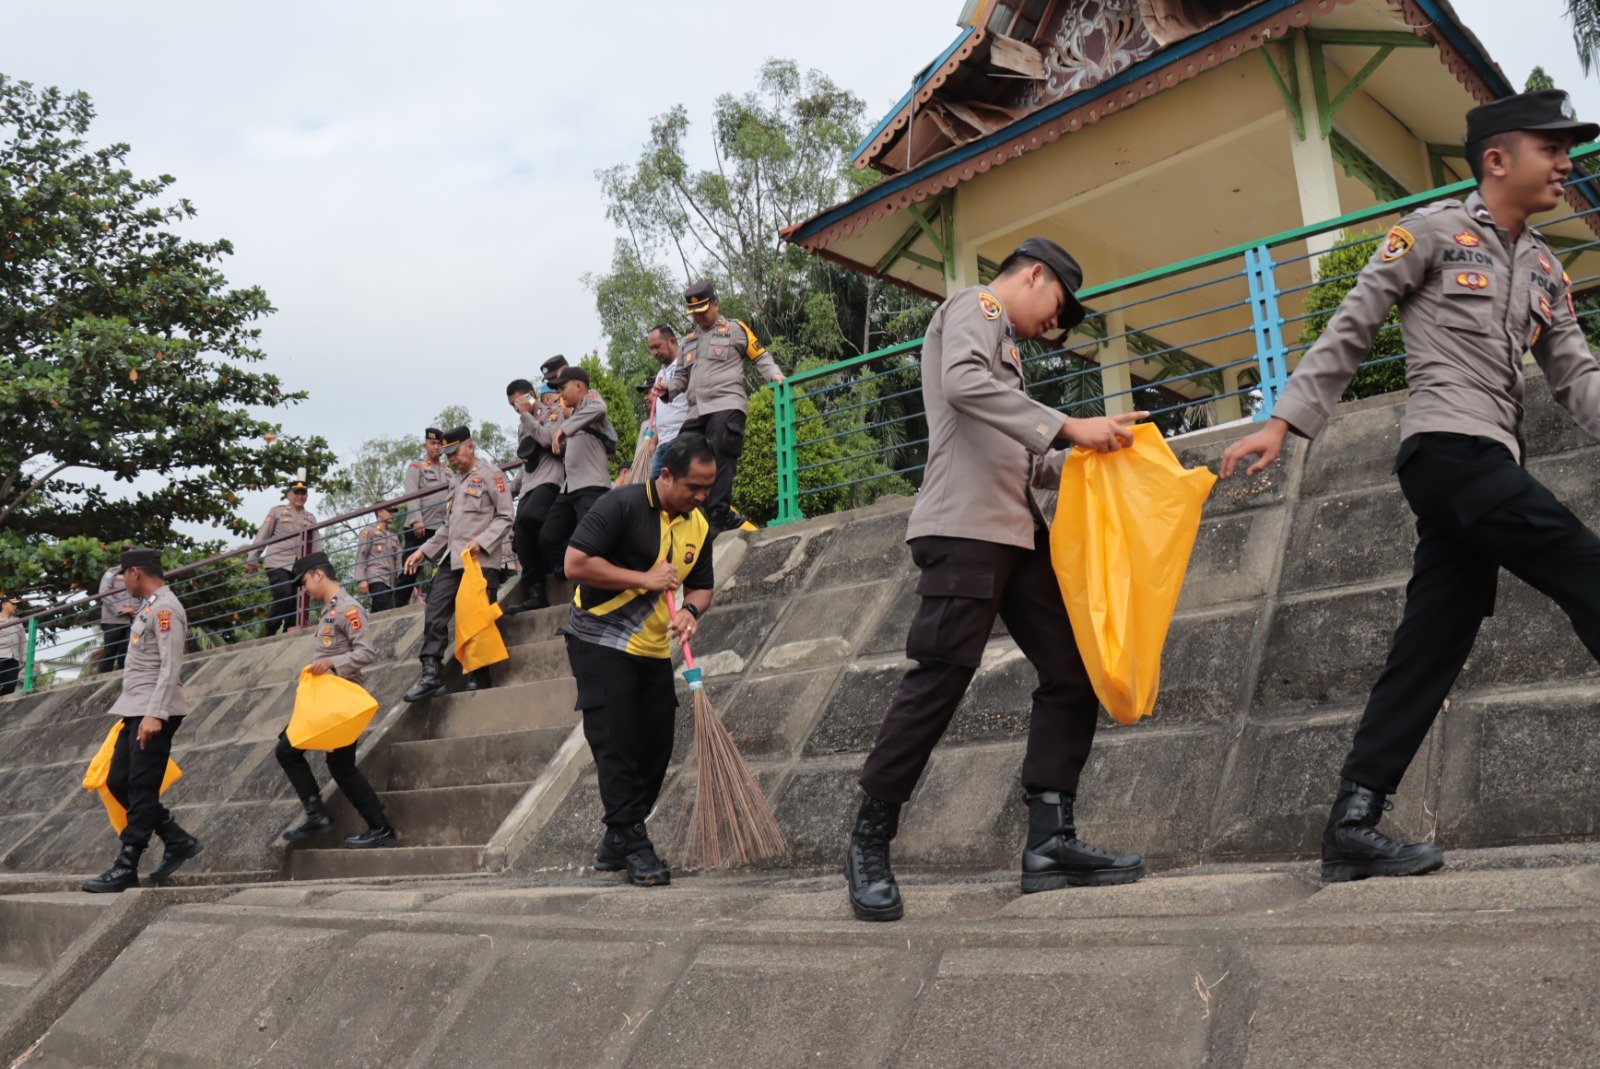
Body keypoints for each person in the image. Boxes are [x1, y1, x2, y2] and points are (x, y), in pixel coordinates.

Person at [1220, 89, 1600, 883]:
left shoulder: (1544, 268)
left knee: (1430, 645)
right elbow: (1353, 322)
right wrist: (1284, 420)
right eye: (1550, 146)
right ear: (1497, 159)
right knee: (1584, 566)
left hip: (1491, 465)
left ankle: (1351, 823)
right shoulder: (1431, 232)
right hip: (1448, 451)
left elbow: (1578, 379)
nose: (1567, 161)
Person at [843, 237, 1149, 923]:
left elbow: (1021, 455)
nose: (1056, 326)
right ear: (1034, 274)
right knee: (941, 677)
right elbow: (962, 387)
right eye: (1059, 308)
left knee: (1073, 671)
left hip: (1016, 530)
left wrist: (1105, 457)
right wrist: (1070, 426)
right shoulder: (974, 307)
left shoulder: (1004, 352)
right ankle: (869, 841)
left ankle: (1050, 841)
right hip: (963, 529)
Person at [563, 433, 717, 887]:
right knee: (617, 741)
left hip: (652, 648)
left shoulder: (698, 524)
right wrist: (643, 579)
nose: (702, 496)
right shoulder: (622, 506)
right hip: (598, 637)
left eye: (708, 487)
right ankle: (633, 841)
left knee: (657, 745)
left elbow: (702, 585)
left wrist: (691, 611)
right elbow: (575, 563)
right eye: (694, 486)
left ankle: (616, 839)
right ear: (666, 475)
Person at [82, 547, 202, 893]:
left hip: (154, 710)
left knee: (141, 786)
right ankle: (176, 838)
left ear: (135, 572)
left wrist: (155, 713)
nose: (122, 583)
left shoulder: (165, 608)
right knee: (117, 780)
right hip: (135, 709)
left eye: (124, 576)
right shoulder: (149, 607)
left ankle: (127, 865)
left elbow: (170, 665)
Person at [275, 551, 398, 849]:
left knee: (290, 751)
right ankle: (371, 826)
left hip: (340, 701)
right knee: (335, 764)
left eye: (304, 582)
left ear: (318, 574)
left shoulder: (348, 609)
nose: (304, 590)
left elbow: (366, 652)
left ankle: (329, 816)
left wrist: (332, 663)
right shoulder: (330, 610)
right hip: (328, 699)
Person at [657, 283, 784, 535]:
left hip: (727, 403)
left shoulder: (735, 330)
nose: (698, 316)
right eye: (693, 312)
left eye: (703, 310)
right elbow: (681, 378)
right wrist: (666, 389)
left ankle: (718, 514)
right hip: (696, 411)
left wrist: (776, 377)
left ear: (716, 304)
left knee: (720, 450)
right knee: (679, 454)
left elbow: (760, 356)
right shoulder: (688, 341)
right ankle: (694, 511)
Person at [401, 426, 516, 700]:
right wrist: (424, 552)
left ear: (470, 447)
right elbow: (447, 527)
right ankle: (430, 674)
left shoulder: (491, 475)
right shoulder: (455, 482)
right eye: (447, 454)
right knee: (435, 610)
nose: (452, 458)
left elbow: (505, 516)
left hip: (480, 561)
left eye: (455, 452)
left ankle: (480, 674)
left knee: (476, 618)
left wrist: (482, 541)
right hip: (452, 559)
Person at [537, 367, 617, 583]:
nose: (560, 393)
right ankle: (574, 567)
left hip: (591, 484)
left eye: (563, 387)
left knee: (595, 539)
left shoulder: (591, 400)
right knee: (548, 537)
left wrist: (563, 429)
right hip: (570, 487)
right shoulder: (570, 414)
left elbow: (600, 407)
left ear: (579, 386)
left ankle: (596, 580)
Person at [505, 379, 565, 614]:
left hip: (551, 479)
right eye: (512, 406)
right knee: (521, 533)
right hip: (530, 483)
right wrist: (508, 491)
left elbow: (547, 440)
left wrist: (526, 416)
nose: (516, 409)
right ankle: (536, 591)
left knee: (531, 517)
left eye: (517, 402)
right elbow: (526, 461)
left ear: (530, 395)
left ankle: (562, 559)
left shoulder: (553, 413)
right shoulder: (523, 425)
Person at [245, 478, 322, 635]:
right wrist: (253, 558)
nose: (300, 496)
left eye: (303, 493)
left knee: (296, 602)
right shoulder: (277, 511)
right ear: (289, 495)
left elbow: (315, 544)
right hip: (277, 562)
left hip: (299, 566)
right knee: (284, 594)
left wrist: (317, 569)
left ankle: (289, 633)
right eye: (296, 492)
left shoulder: (310, 518)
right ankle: (270, 629)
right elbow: (263, 535)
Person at [397, 427, 451, 607]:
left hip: (440, 527)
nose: (436, 447)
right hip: (420, 526)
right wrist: (416, 520)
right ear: (425, 445)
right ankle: (397, 606)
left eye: (439, 444)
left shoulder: (448, 471)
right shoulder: (416, 466)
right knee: (410, 568)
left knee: (447, 563)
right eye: (432, 443)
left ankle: (435, 597)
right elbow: (411, 493)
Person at [645, 324, 690, 481]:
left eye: (657, 346)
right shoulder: (659, 374)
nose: (654, 353)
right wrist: (654, 441)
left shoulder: (685, 366)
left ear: (671, 341)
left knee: (680, 488)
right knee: (655, 490)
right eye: (651, 349)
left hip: (682, 440)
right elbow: (660, 414)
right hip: (662, 444)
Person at [354, 504, 405, 613]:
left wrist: (402, 580)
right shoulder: (369, 531)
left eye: (393, 512)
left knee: (378, 612)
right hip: (376, 578)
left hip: (391, 582)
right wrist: (361, 579)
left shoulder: (394, 536)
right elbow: (361, 554)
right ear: (379, 512)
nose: (392, 514)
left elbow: (399, 561)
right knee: (388, 610)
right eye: (389, 511)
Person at [97, 560, 139, 671]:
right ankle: (102, 681)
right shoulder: (111, 573)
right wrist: (121, 609)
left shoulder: (139, 572)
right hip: (113, 620)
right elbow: (103, 593)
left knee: (127, 653)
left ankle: (124, 682)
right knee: (109, 653)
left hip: (134, 619)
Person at [0, 595, 22, 696]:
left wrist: (24, 658)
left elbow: (23, 641)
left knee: (10, 685)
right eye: (12, 604)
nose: (15, 606)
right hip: (1, 655)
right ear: (4, 605)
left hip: (13, 657)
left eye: (16, 605)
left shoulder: (17, 621)